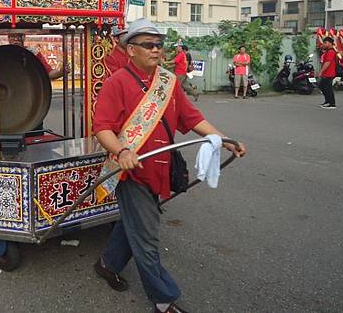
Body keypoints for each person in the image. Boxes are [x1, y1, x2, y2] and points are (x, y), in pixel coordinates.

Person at [92, 18, 246, 313]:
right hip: (131, 172)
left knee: (134, 225)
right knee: (147, 237)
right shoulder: (116, 83)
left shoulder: (168, 81)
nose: (156, 50)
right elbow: (103, 128)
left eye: (159, 45)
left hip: (161, 168)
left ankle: (106, 264)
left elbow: (192, 118)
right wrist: (122, 150)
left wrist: (225, 139)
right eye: (148, 45)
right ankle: (163, 299)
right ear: (130, 50)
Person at [318, 37, 337, 109]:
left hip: (329, 73)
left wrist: (321, 71)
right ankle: (328, 101)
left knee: (327, 88)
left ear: (329, 43)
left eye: (325, 43)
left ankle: (332, 104)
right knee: (323, 86)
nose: (324, 44)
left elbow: (327, 63)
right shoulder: (328, 51)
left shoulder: (331, 52)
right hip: (327, 73)